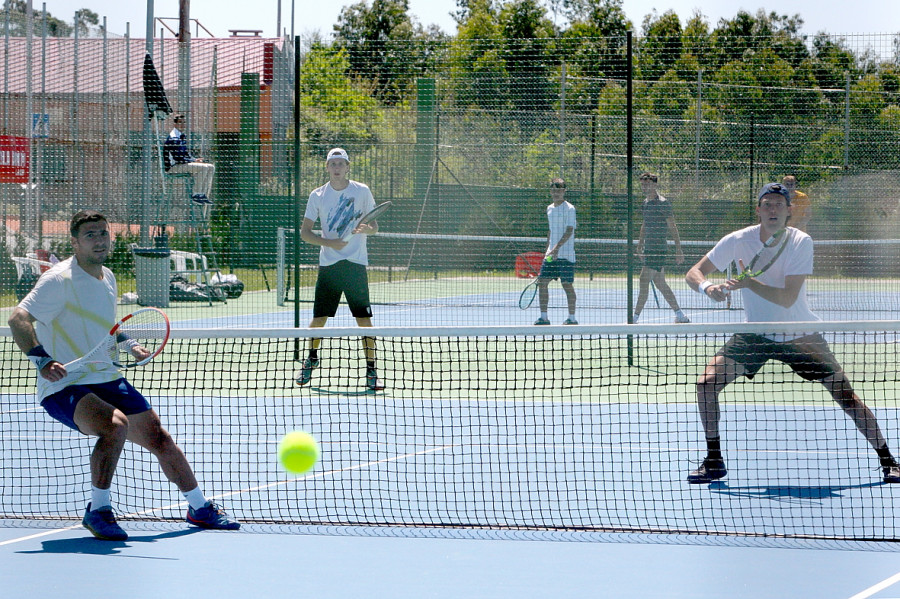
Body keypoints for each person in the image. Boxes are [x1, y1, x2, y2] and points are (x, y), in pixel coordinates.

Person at [7, 210, 240, 540]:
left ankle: (199, 508)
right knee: (114, 426)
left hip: (105, 375)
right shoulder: (58, 280)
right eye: (91, 235)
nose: (100, 240)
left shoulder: (109, 277)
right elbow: (18, 319)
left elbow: (107, 327)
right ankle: (99, 510)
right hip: (65, 382)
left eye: (103, 233)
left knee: (159, 438)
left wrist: (129, 344)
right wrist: (42, 360)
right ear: (74, 243)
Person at [684, 183, 900, 484]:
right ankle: (714, 460)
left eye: (778, 204)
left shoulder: (800, 241)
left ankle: (889, 460)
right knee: (706, 384)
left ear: (789, 211)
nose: (773, 209)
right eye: (767, 203)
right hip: (757, 334)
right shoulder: (737, 240)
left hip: (801, 336)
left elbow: (787, 298)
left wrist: (749, 284)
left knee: (846, 397)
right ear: (758, 210)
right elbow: (694, 272)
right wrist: (708, 288)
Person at [294, 147, 384, 391]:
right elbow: (305, 233)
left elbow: (374, 225)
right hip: (329, 265)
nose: (336, 168)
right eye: (332, 163)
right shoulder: (317, 195)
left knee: (363, 319)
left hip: (355, 265)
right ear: (327, 167)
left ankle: (371, 369)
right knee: (319, 319)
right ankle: (311, 360)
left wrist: (368, 229)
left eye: (340, 163)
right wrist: (329, 243)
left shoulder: (362, 191)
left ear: (347, 167)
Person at [634, 172, 690, 323]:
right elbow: (644, 225)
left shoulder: (663, 203)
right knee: (660, 283)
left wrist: (679, 249)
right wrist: (640, 245)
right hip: (649, 248)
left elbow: (672, 227)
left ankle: (634, 318)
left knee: (643, 279)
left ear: (654, 184)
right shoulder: (645, 203)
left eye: (647, 184)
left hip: (659, 249)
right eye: (642, 184)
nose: (644, 186)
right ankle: (680, 315)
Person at [533, 178, 578, 325]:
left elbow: (569, 230)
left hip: (566, 255)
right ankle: (544, 317)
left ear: (564, 191)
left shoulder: (570, 209)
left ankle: (572, 318)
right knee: (542, 282)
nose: (556, 193)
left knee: (567, 284)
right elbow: (551, 231)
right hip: (551, 255)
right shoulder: (549, 208)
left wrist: (556, 249)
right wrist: (548, 251)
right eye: (553, 190)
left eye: (559, 190)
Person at [164, 114, 215, 204]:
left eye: (184, 122)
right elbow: (178, 158)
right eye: (180, 122)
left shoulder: (180, 135)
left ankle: (203, 194)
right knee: (203, 168)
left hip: (182, 164)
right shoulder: (173, 137)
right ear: (175, 124)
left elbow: (186, 154)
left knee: (211, 167)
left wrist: (194, 159)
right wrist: (192, 161)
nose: (183, 125)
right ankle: (196, 194)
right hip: (173, 167)